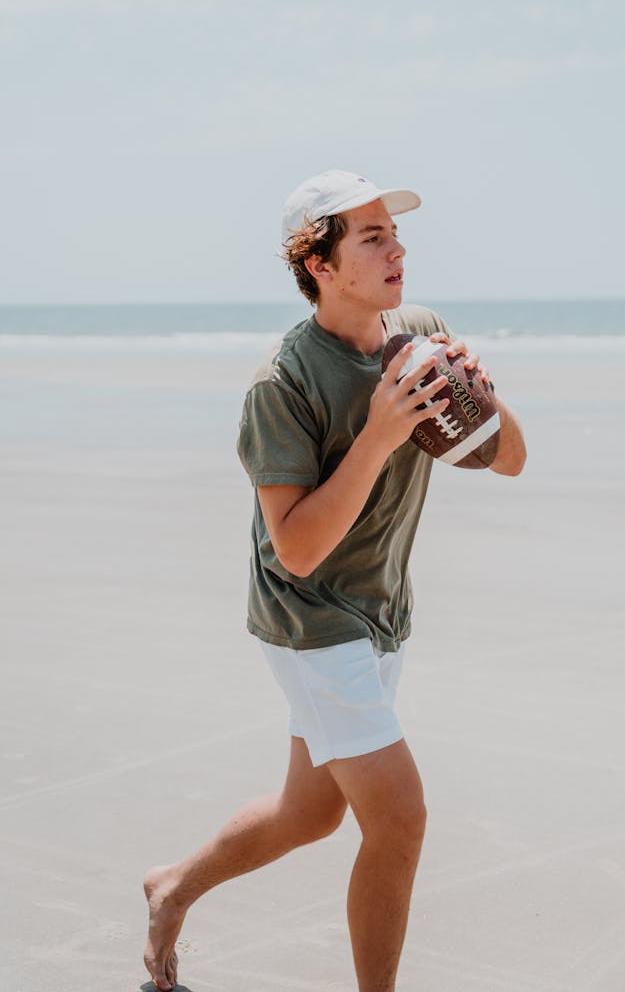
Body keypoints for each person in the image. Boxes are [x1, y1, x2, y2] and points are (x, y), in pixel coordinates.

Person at [143, 169, 526, 992]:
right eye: (372, 237)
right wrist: (381, 433)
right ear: (320, 264)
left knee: (309, 813)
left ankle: (171, 887)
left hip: (384, 611)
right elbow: (299, 552)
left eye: (395, 232)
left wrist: (483, 395)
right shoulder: (281, 385)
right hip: (312, 619)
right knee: (400, 817)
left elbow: (515, 460)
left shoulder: (418, 334)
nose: (398, 249)